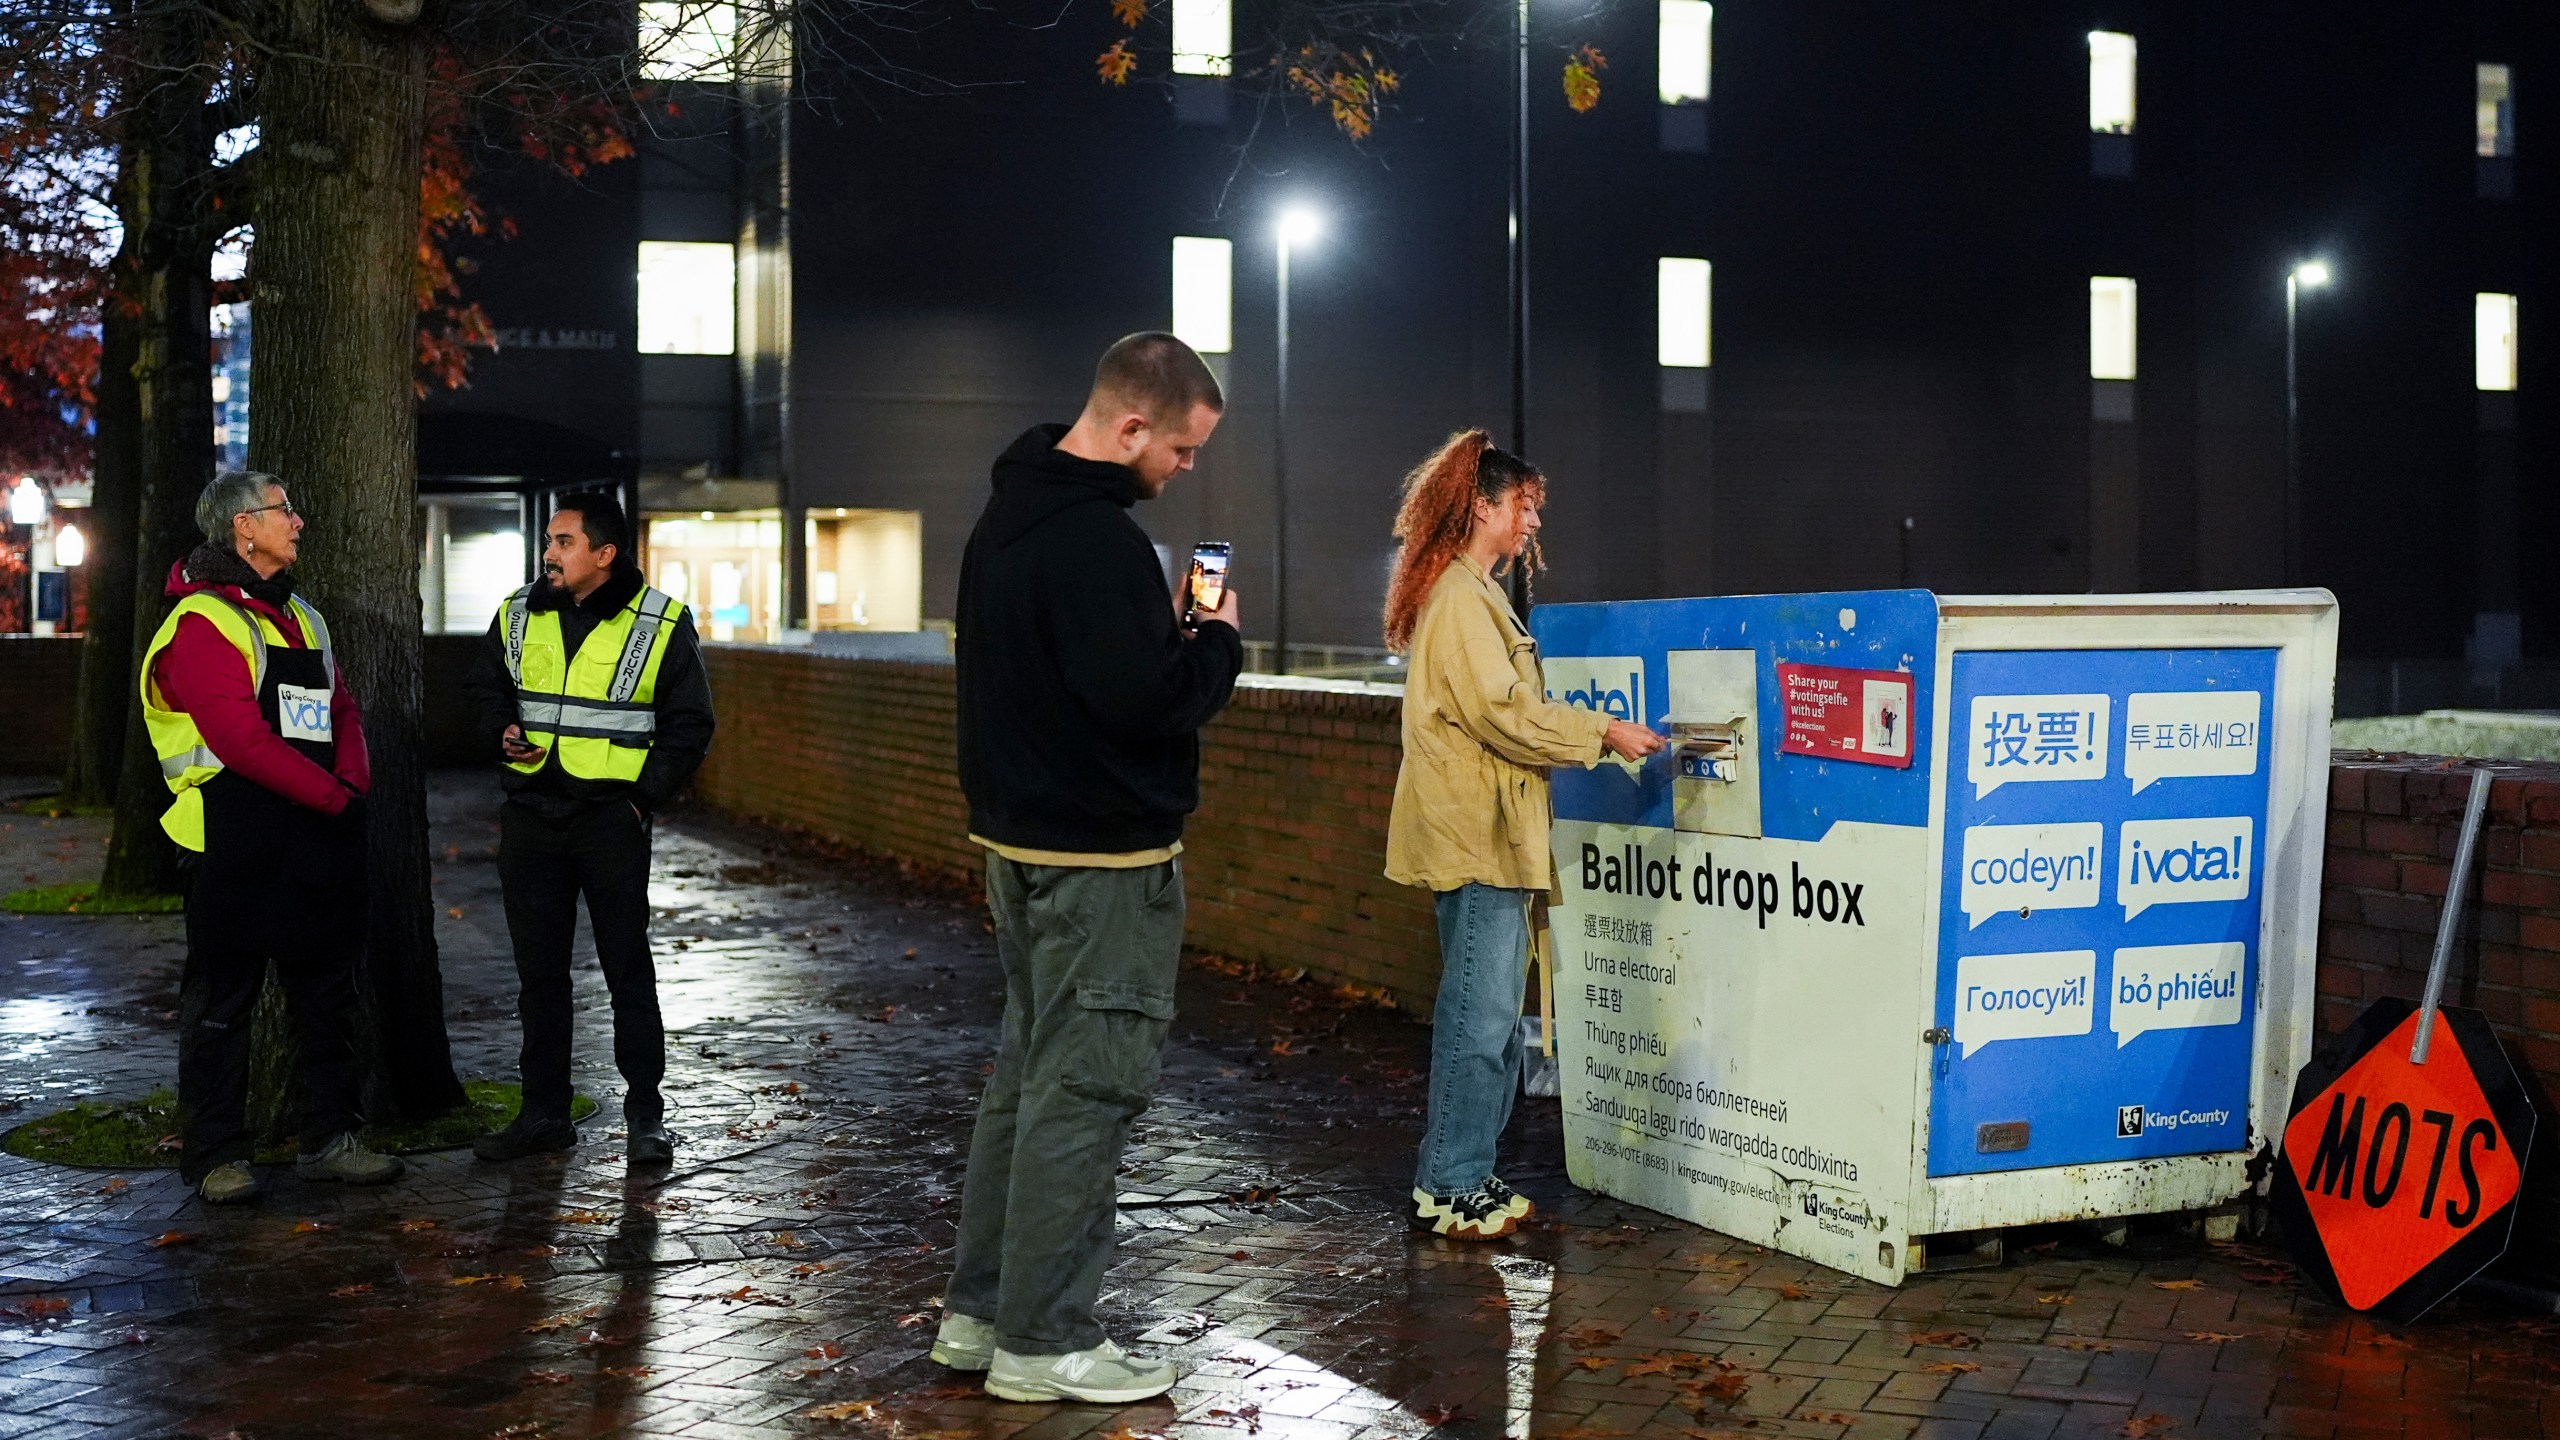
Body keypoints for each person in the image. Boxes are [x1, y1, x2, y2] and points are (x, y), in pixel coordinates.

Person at [933, 333, 1242, 1404]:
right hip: (1101, 863)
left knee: (1025, 1085)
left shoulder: (1000, 523)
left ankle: (979, 1316)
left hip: (1013, 844)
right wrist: (1214, 645)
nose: (1182, 471)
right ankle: (1045, 1339)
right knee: (1085, 1094)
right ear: (1130, 428)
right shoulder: (1100, 544)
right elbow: (1146, 703)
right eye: (1183, 450)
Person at [1381, 430, 1664, 1239]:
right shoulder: (1465, 600)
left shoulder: (1467, 594)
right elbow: (1505, 715)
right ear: (1484, 507)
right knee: (1481, 1020)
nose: (1533, 521)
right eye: (1525, 505)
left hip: (1486, 836)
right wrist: (1603, 732)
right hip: (1479, 841)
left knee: (1490, 1021)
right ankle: (1451, 1183)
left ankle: (1463, 1173)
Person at [139, 471, 404, 1204]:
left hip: (317, 833)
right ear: (242, 529)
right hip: (235, 839)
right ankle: (216, 1154)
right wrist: (333, 797)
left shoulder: (305, 618)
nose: (298, 521)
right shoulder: (200, 623)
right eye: (283, 510)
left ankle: (330, 1139)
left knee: (328, 998)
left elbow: (340, 707)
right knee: (224, 1002)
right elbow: (237, 740)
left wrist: (352, 783)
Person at [461, 492, 715, 1167]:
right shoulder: (517, 615)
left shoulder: (659, 622)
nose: (549, 553)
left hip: (610, 822)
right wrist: (499, 729)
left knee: (627, 969)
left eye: (565, 541)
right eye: (550, 539)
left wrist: (640, 802)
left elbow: (690, 726)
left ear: (604, 554)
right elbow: (485, 692)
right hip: (533, 818)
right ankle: (543, 1114)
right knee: (538, 977)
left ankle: (645, 1118)